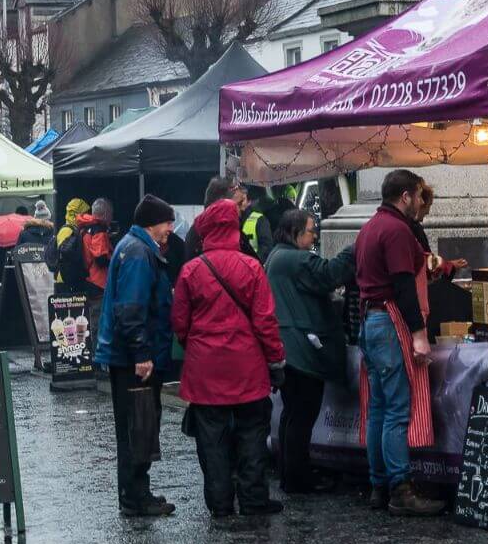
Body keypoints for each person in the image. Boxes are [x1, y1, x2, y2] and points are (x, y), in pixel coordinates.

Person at [173, 198, 286, 517]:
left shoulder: (191, 270)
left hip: (205, 370)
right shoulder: (251, 267)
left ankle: (220, 503)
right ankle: (253, 499)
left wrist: (197, 344)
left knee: (212, 440)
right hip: (247, 367)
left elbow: (179, 323)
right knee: (252, 435)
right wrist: (275, 361)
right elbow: (266, 321)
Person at [354, 169, 444, 517]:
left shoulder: (369, 228)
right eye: (420, 196)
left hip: (371, 321)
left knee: (378, 406)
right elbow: (404, 285)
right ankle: (400, 488)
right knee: (395, 409)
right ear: (406, 196)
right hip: (389, 322)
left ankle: (379, 485)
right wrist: (419, 333)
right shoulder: (395, 231)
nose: (422, 203)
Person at [95, 194, 177, 517]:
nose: (170, 228)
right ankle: (135, 498)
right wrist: (142, 353)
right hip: (133, 360)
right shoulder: (139, 253)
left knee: (137, 426)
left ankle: (136, 493)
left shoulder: (134, 248)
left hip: (127, 356)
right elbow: (131, 308)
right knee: (137, 426)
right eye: (166, 222)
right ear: (151, 223)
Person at [265, 209, 355, 494]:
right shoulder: (297, 259)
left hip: (288, 348)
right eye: (309, 230)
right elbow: (329, 274)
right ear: (294, 232)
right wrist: (353, 249)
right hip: (301, 349)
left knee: (292, 414)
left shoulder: (277, 256)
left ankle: (290, 473)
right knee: (302, 415)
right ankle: (298, 479)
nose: (314, 234)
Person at [186, 177, 263, 261]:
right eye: (239, 203)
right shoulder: (198, 237)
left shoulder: (233, 231)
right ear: (221, 205)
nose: (243, 208)